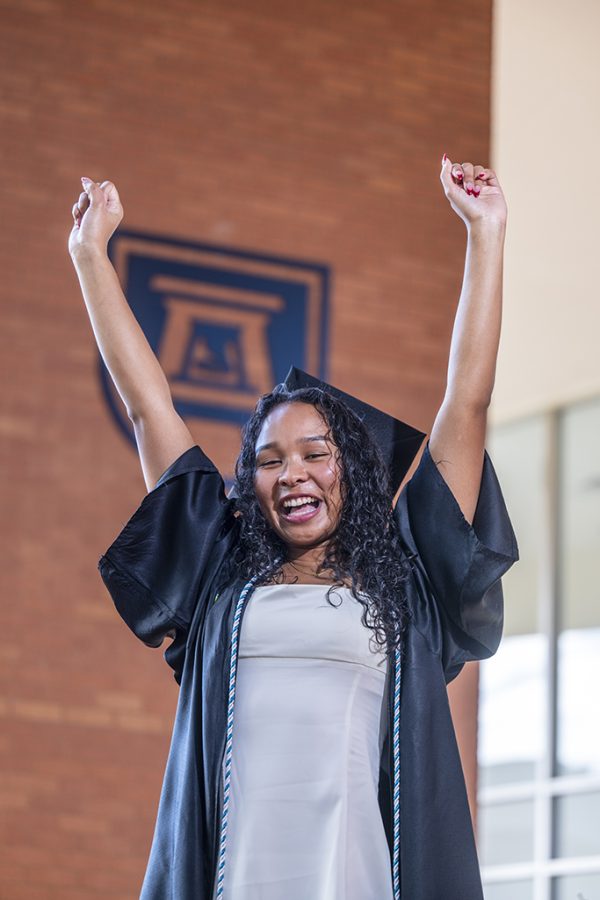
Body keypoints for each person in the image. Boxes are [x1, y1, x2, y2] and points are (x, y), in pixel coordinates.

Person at [68, 156, 519, 900]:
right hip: (232, 873)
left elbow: (465, 403)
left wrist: (486, 234)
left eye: (317, 453)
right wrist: (92, 256)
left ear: (356, 471)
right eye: (270, 461)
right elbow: (149, 407)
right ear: (252, 483)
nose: (294, 473)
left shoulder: (405, 584)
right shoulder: (221, 573)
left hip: (357, 872)